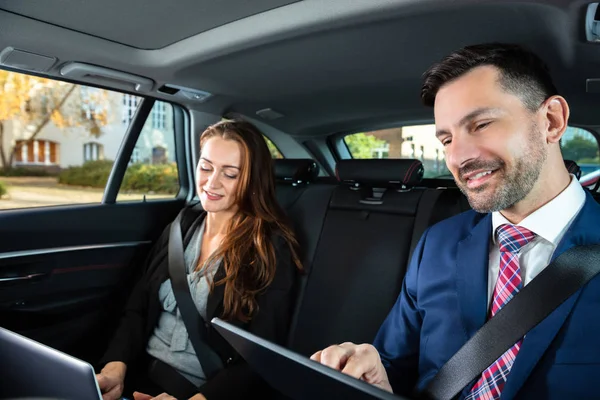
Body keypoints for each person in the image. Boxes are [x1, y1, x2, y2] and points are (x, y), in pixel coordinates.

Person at [311, 43, 600, 399]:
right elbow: (394, 366)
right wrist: (372, 375)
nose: (459, 157)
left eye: (481, 124)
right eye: (447, 139)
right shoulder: (437, 245)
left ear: (551, 122)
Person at [95, 119, 302, 400]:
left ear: (253, 179)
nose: (211, 182)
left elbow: (259, 356)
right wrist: (115, 367)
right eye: (205, 167)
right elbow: (138, 307)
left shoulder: (269, 247)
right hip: (140, 377)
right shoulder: (181, 226)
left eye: (230, 174)